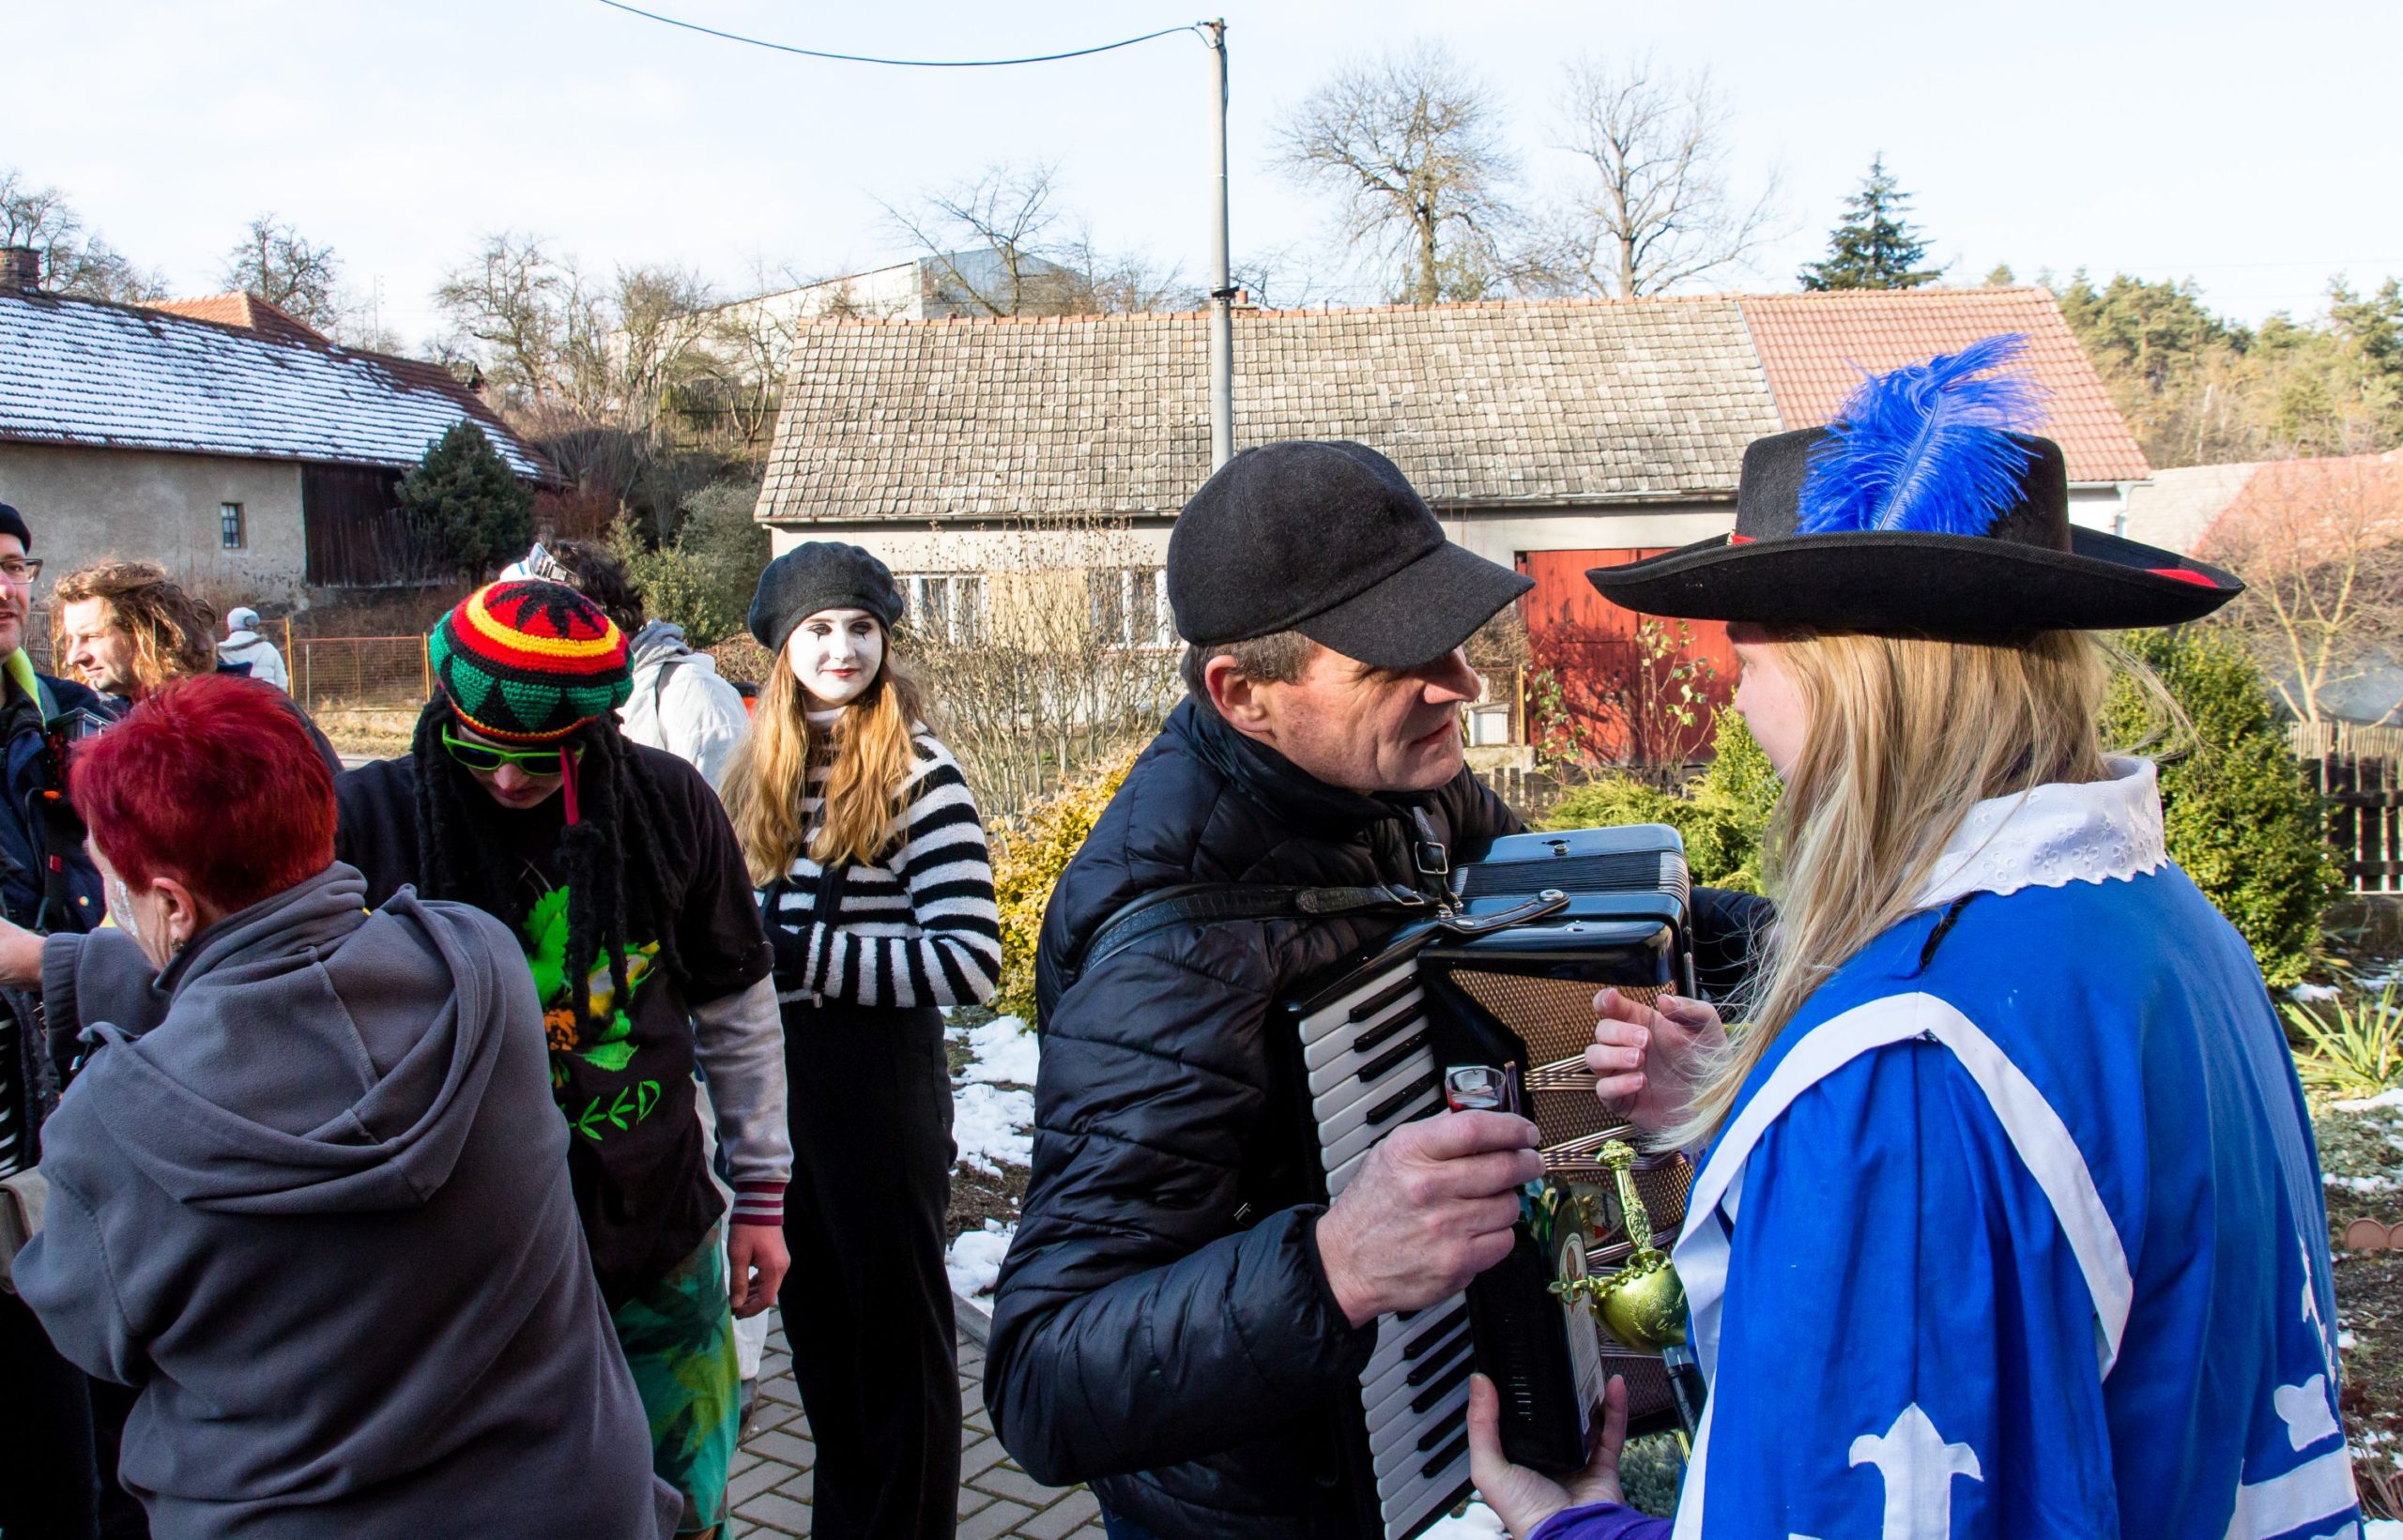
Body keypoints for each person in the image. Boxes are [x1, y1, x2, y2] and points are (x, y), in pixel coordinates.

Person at [1467, 339, 2359, 1538]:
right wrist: (1756, 1114)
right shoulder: (2166, 928)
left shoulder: (1908, 1065)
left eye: (1746, 656)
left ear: (1848, 684)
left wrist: (1573, 1528)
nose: (1735, 698)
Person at [982, 441, 1571, 1539]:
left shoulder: (1399, 786)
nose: (1462, 684)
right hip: (1241, 1512)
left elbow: (1560, 915)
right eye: (1394, 660)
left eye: (1448, 635)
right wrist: (1335, 1264)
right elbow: (1040, 1381)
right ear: (1244, 695)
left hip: (1396, 1442)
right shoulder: (1167, 957)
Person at [5, 673, 676, 1538]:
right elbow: (290, 990)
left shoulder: (116, 1121)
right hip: (568, 1502)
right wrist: (57, 963)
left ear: (170, 903)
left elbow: (91, 1330)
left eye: (114, 884)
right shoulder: (480, 969)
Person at [332, 579, 790, 1540]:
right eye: (481, 751)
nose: (508, 781)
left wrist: (759, 1194)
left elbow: (736, 1012)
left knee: (686, 1511)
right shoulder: (369, 817)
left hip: (654, 1240)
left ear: (600, 731)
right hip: (454, 1273)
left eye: (544, 761)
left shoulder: (665, 806)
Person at [723, 541, 1002, 1540]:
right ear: (783, 647)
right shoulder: (760, 769)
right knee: (824, 1349)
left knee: (898, 1357)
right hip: (785, 1088)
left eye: (860, 628)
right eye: (818, 629)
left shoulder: (920, 773)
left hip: (879, 1087)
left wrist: (806, 955)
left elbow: (971, 962)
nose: (841, 648)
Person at [0, 497, 107, 1540]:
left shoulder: (71, 720)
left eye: (14, 565)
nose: (4, 587)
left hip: (66, 1114)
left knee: (66, 1452)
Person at [515, 540, 752, 793]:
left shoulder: (692, 692)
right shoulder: (577, 705)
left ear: (591, 616)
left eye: (539, 624)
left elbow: (724, 810)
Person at [53, 562, 220, 701]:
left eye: (92, 637)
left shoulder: (218, 719)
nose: (73, 658)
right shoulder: (77, 717)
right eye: (71, 640)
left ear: (147, 634)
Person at [216, 606, 289, 693]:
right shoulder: (269, 648)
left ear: (230, 626)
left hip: (235, 697)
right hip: (268, 697)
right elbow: (281, 681)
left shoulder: (220, 651)